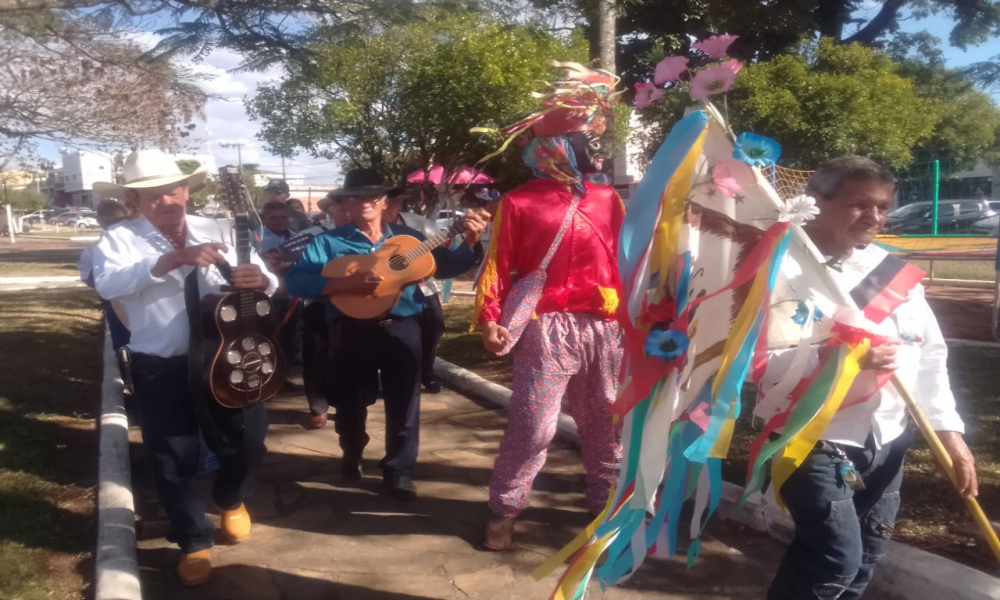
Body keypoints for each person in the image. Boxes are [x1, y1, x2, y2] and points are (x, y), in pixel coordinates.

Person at [756, 156, 978, 600]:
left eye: (882, 206)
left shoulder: (894, 274)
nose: (874, 217)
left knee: (865, 560)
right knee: (833, 560)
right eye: (859, 205)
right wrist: (846, 360)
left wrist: (950, 435)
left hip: (887, 439)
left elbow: (929, 356)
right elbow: (759, 364)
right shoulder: (778, 270)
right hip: (813, 437)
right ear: (816, 203)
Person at [91, 150, 278, 586]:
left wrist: (261, 279)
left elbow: (268, 278)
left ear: (186, 190)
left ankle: (231, 497)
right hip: (163, 365)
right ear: (135, 199)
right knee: (174, 457)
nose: (165, 201)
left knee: (250, 439)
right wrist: (172, 260)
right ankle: (194, 539)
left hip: (227, 359)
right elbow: (109, 283)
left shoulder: (218, 228)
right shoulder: (118, 239)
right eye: (152, 195)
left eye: (172, 190)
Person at [473, 64, 625, 550]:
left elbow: (631, 263)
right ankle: (505, 507)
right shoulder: (518, 203)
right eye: (585, 141)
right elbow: (497, 265)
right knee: (533, 426)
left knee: (607, 423)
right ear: (559, 148)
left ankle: (606, 508)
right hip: (545, 329)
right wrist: (490, 319)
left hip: (606, 327)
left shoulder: (609, 201)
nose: (595, 149)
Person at [286, 168, 486, 500]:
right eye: (356, 197)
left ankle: (399, 470)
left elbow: (448, 266)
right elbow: (295, 281)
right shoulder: (327, 242)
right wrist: (343, 284)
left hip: (404, 326)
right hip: (350, 330)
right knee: (351, 401)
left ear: (383, 202)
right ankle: (352, 449)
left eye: (372, 197)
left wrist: (472, 241)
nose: (364, 203)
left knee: (405, 400)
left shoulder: (409, 238)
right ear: (345, 203)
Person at [383, 191, 446, 393]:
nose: (390, 207)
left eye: (394, 203)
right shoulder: (372, 229)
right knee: (391, 335)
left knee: (433, 327)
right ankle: (389, 377)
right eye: (386, 203)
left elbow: (442, 250)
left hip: (424, 287)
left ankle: (426, 374)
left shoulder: (420, 224)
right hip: (387, 291)